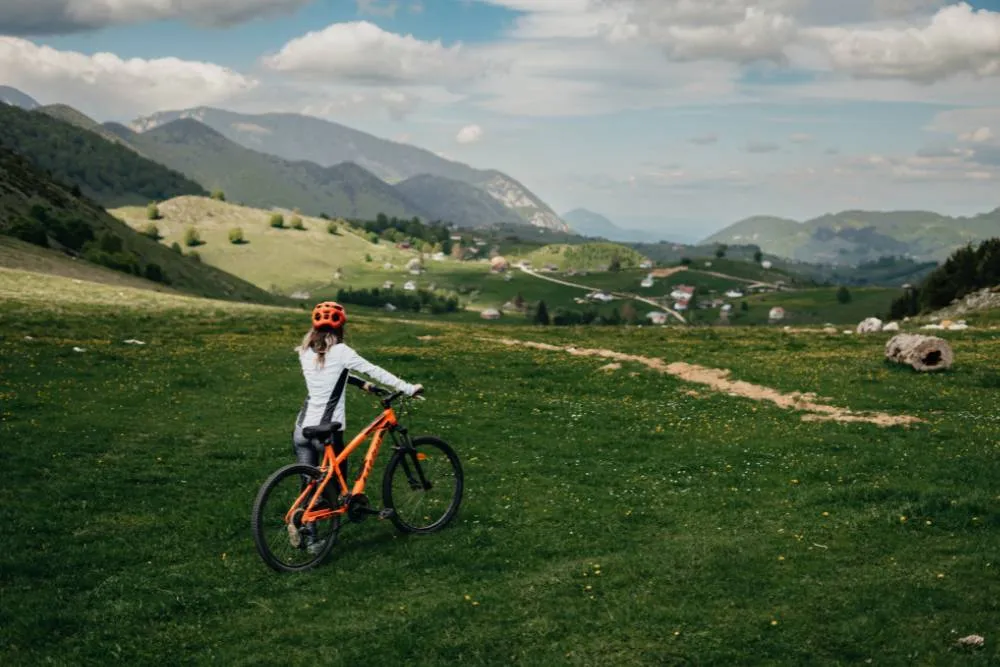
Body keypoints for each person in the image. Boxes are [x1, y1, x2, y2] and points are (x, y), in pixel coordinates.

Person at [292, 301, 422, 478]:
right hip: (326, 430)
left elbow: (330, 375)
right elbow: (374, 370)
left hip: (302, 429)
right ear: (341, 327)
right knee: (336, 488)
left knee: (310, 489)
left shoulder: (305, 351)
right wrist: (408, 388)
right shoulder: (341, 351)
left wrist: (363, 384)